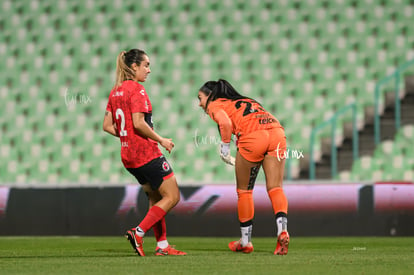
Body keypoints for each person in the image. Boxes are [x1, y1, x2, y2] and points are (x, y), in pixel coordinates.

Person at [103, 49, 186, 256]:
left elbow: (107, 125)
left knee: (156, 199)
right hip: (146, 153)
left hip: (128, 157)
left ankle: (163, 246)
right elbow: (139, 123)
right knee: (172, 196)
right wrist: (161, 139)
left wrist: (126, 137)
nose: (149, 70)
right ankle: (138, 233)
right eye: (146, 65)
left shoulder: (115, 91)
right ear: (134, 67)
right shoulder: (137, 90)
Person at [197, 79, 289, 255]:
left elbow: (225, 124)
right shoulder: (246, 100)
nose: (200, 103)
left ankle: (245, 242)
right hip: (277, 133)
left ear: (210, 96)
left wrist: (224, 149)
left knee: (244, 191)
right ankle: (282, 231)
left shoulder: (215, 105)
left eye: (200, 98)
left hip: (253, 138)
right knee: (276, 188)